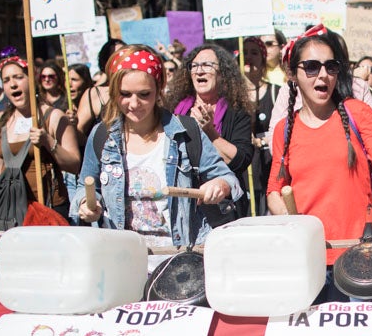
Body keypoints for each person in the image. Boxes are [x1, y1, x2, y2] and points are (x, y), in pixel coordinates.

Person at [265, 27, 372, 301]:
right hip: (310, 262)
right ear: (292, 74)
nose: (323, 75)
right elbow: (274, 189)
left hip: (362, 259)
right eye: (311, 67)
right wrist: (293, 226)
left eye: (331, 67)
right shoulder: (284, 129)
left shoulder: (358, 112)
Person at [71, 45, 240, 257]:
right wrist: (85, 203)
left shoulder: (185, 132)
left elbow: (228, 179)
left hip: (179, 257)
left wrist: (219, 185)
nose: (134, 104)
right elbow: (85, 186)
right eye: (125, 94)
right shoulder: (102, 136)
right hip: (123, 257)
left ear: (158, 89)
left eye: (144, 94)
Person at [0, 54, 80, 223]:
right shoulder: (1, 120)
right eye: (6, 80)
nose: (13, 84)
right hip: (11, 211)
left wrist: (48, 141)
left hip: (47, 209)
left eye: (18, 77)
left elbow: (74, 164)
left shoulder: (54, 117)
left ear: (32, 80)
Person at [166, 43, 254, 217]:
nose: (200, 71)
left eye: (207, 65)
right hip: (183, 207)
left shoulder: (236, 112)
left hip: (222, 207)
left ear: (222, 74)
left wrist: (210, 132)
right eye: (195, 66)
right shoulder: (174, 110)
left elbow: (241, 161)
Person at [242, 36, 280, 214]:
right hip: (246, 171)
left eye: (254, 52)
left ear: (263, 58)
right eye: (245, 52)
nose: (249, 57)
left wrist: (264, 140)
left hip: (269, 166)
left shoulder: (276, 92)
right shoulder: (233, 96)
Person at [77, 38, 125, 136]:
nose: (122, 60)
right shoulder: (94, 94)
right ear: (105, 62)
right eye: (115, 57)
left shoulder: (143, 89)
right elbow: (79, 133)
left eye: (124, 55)